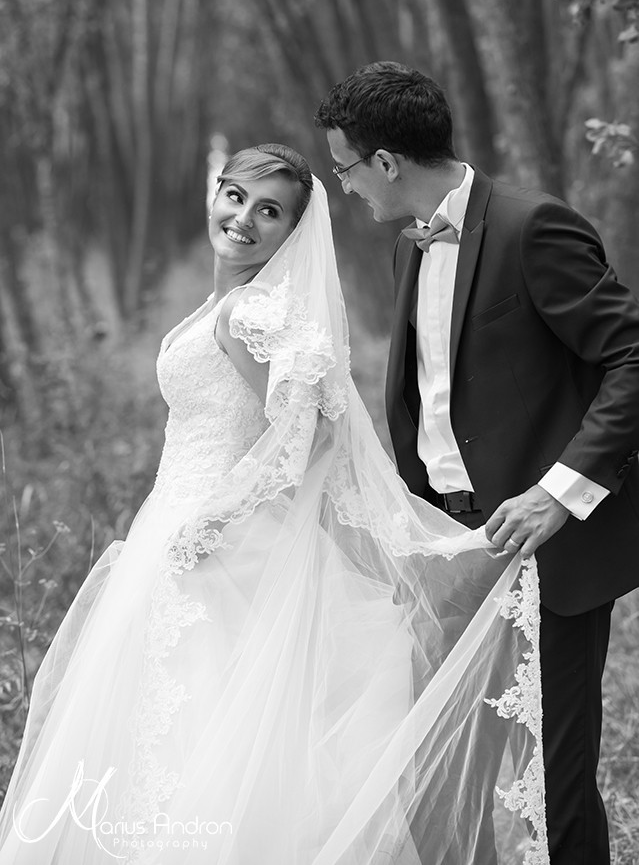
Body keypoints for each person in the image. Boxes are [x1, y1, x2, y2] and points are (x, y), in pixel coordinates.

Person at [0, 144, 548, 864]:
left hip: (219, 544)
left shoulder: (250, 313)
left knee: (208, 730)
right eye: (235, 196)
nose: (243, 219)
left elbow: (304, 437)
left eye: (269, 212)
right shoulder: (224, 305)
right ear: (215, 193)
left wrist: (217, 517)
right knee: (170, 727)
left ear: (292, 232)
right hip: (175, 529)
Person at [315, 63, 639, 865]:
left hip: (543, 544)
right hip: (446, 548)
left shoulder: (534, 228)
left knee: (552, 779)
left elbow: (630, 356)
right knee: (436, 770)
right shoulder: (409, 249)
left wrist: (557, 495)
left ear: (385, 161)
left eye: (345, 169)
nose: (345, 186)